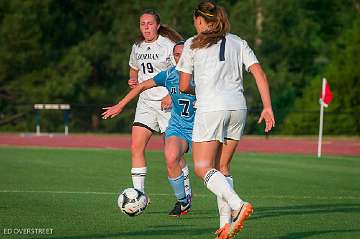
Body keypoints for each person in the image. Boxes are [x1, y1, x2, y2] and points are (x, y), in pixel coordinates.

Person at [176, 1, 275, 238]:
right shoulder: (237, 41)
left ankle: (237, 204)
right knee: (222, 167)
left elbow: (183, 85)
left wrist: (199, 89)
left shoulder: (191, 44)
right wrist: (268, 107)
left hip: (211, 108)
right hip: (238, 108)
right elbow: (259, 73)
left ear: (200, 21)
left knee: (202, 168)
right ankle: (225, 225)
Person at [102, 41, 195, 217]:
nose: (180, 57)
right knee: (170, 156)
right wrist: (120, 105)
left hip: (202, 127)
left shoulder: (203, 75)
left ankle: (230, 204)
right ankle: (182, 202)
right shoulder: (168, 74)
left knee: (210, 168)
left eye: (183, 54)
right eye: (176, 55)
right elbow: (143, 85)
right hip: (179, 127)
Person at [118, 9, 193, 201]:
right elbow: (133, 67)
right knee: (136, 146)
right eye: (142, 24)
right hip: (145, 103)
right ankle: (139, 195)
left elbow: (180, 69)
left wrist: (170, 94)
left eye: (150, 23)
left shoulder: (168, 45)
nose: (146, 27)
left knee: (173, 153)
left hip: (167, 104)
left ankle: (185, 192)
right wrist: (132, 79)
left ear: (158, 26)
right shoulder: (137, 46)